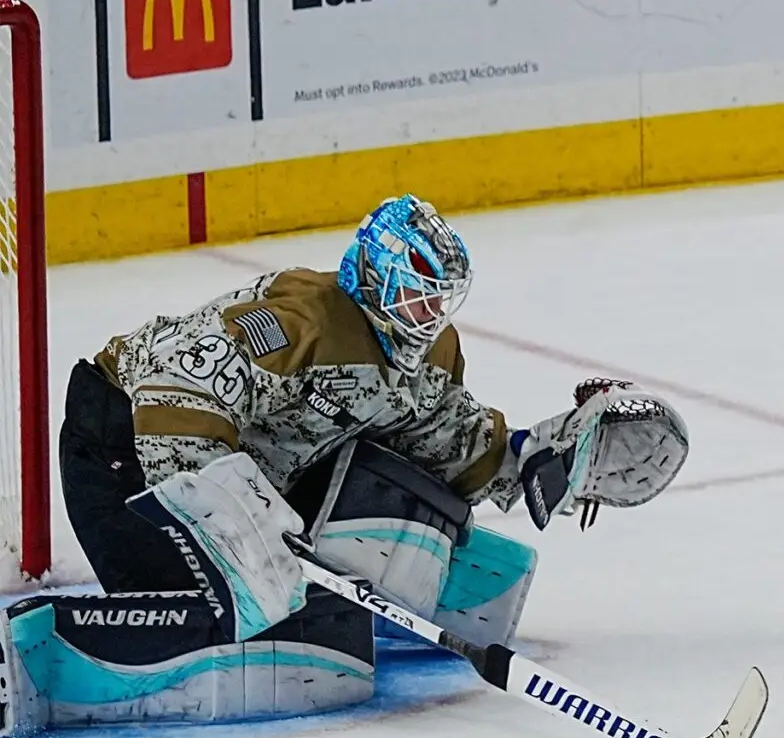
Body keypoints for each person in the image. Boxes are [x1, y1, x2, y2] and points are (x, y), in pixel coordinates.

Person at [57, 195, 687, 675]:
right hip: (118, 446)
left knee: (310, 593)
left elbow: (445, 439)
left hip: (257, 472)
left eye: (440, 304)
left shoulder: (429, 351)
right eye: (418, 301)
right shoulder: (300, 318)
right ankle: (61, 649)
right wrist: (225, 514)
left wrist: (534, 458)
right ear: (377, 279)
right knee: (225, 617)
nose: (430, 318)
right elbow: (175, 387)